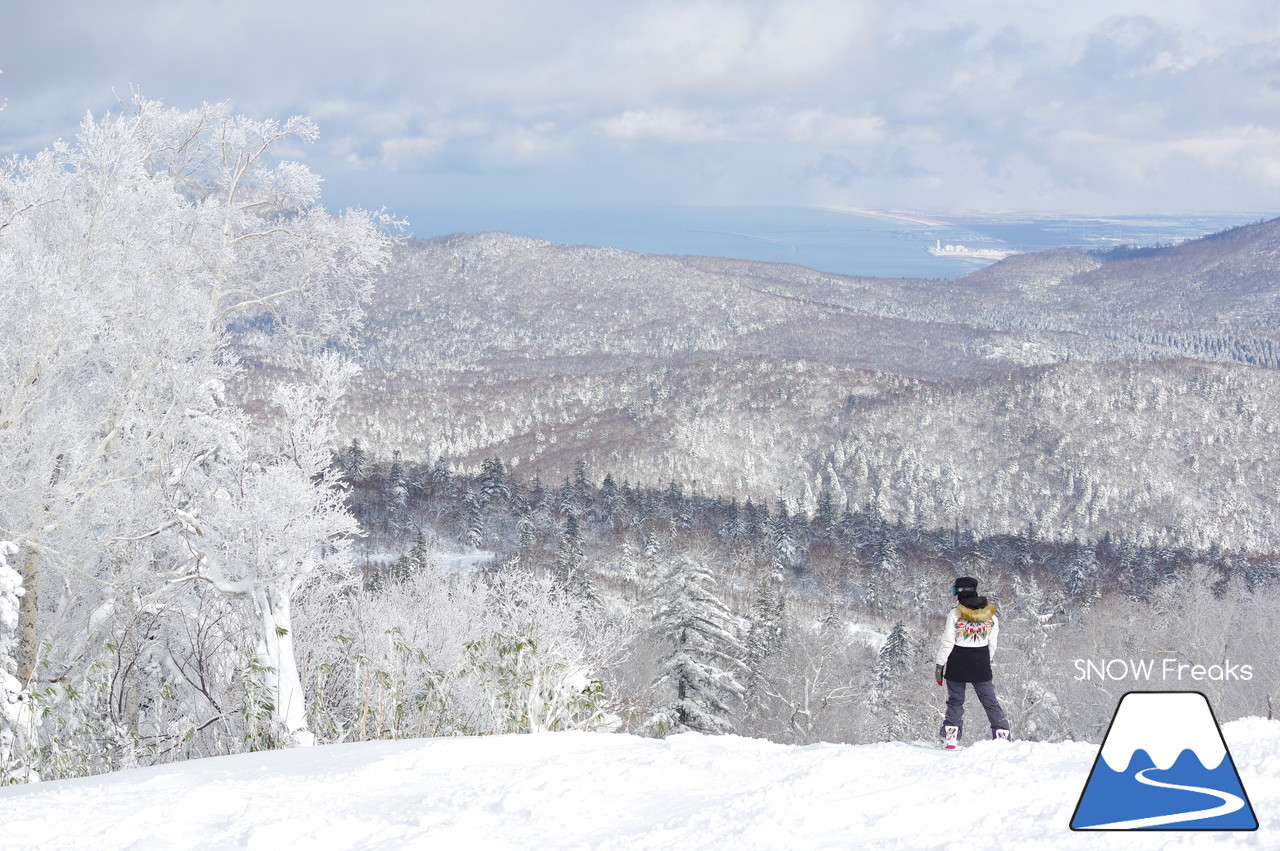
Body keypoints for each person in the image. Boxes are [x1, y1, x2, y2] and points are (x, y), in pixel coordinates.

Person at [934, 576, 1010, 748]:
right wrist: (986, 661)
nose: (953, 595)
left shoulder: (955, 614)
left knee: (955, 701)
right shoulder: (991, 615)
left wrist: (939, 666)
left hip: (957, 662)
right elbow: (993, 643)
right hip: (981, 662)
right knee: (990, 700)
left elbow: (947, 642)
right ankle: (1002, 732)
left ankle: (951, 734)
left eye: (954, 591)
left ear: (960, 592)